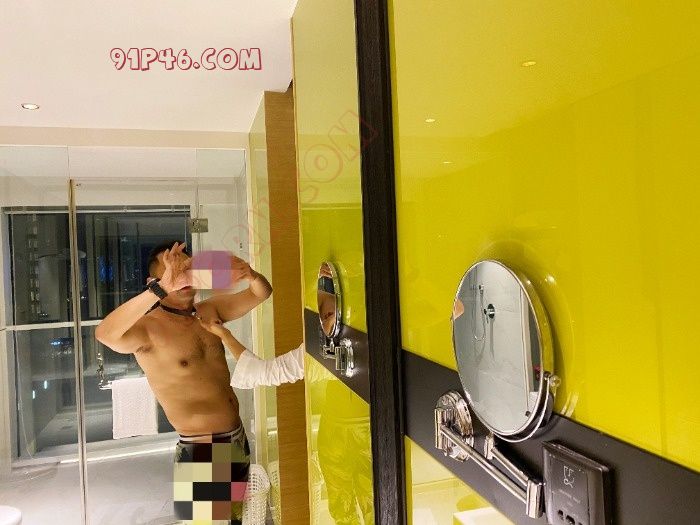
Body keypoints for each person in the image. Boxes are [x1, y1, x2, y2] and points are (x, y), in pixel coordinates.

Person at [95, 240, 274, 524]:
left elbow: (261, 292)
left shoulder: (208, 311)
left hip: (236, 436)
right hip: (203, 448)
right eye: (173, 275)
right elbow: (105, 334)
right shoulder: (148, 330)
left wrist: (250, 274)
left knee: (237, 519)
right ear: (154, 283)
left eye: (189, 271)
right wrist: (161, 289)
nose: (184, 280)